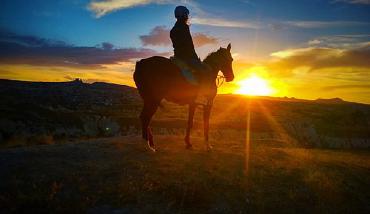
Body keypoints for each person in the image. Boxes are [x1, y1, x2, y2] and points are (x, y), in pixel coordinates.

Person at [170, 5, 209, 105]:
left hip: (177, 56)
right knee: (205, 70)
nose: (187, 16)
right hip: (187, 57)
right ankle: (199, 97)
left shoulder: (173, 30)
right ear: (182, 15)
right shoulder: (184, 27)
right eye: (186, 14)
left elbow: (177, 45)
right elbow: (189, 45)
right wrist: (195, 58)